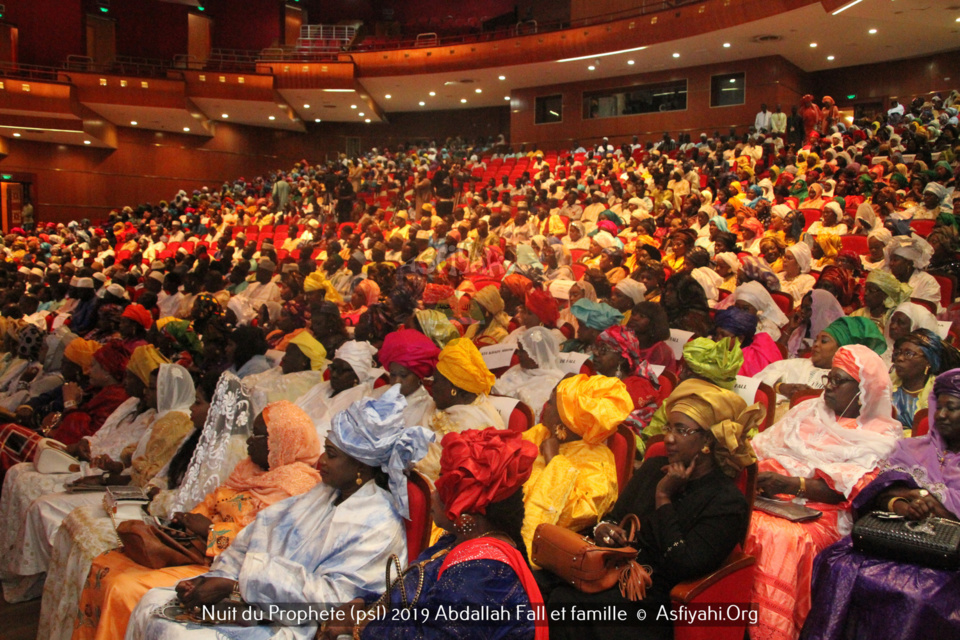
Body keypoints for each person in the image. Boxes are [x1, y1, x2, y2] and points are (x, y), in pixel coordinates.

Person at [127, 387, 433, 640]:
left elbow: (336, 601)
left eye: (332, 454)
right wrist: (219, 576)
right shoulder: (324, 493)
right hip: (260, 600)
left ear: (361, 468)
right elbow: (258, 534)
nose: (320, 461)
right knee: (150, 601)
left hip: (301, 622)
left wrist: (238, 587)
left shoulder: (379, 522)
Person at [72, 399, 323, 640]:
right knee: (106, 566)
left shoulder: (297, 487)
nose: (248, 440)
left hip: (229, 571)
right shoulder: (251, 467)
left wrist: (211, 531)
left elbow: (264, 548)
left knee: (122, 586)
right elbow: (214, 499)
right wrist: (192, 519)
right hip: (199, 548)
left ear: (282, 441)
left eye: (257, 435)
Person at [546, 378, 760, 640]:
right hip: (614, 573)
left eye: (681, 430)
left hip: (661, 601)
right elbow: (612, 517)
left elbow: (683, 566)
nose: (668, 438)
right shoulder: (652, 468)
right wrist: (606, 530)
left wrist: (663, 498)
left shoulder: (725, 501)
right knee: (545, 587)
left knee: (570, 607)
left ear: (708, 440)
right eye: (669, 427)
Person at [325, 427, 545, 640]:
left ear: (467, 509)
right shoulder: (458, 540)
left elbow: (430, 633)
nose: (432, 493)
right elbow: (415, 599)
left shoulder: (484, 573)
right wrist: (366, 603)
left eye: (443, 487)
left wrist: (361, 626)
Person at [746, 345, 903, 640]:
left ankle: (770, 629)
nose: (828, 386)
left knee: (780, 535)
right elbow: (761, 446)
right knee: (729, 508)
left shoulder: (880, 434)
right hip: (773, 494)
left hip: (828, 512)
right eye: (828, 378)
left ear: (864, 389)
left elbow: (851, 490)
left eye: (838, 380)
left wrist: (791, 485)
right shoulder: (807, 409)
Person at [802, 368, 960, 640]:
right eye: (940, 407)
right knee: (839, 566)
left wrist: (936, 508)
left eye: (953, 408)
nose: (942, 415)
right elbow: (879, 492)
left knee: (914, 597)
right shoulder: (912, 448)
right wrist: (901, 504)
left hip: (947, 558)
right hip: (894, 537)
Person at [520, 374, 632, 561]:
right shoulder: (540, 432)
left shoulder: (597, 461)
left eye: (550, 403)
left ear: (564, 421)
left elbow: (572, 517)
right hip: (509, 523)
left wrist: (554, 461)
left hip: (553, 549)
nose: (545, 407)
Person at [423, 338, 505, 480]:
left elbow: (436, 468)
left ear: (453, 388)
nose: (432, 386)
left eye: (436, 381)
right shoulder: (445, 404)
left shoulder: (471, 423)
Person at [890, 329, 960, 431]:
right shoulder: (886, 386)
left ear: (928, 362)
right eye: (898, 353)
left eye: (908, 354)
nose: (900, 358)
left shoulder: (940, 394)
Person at [492, 327, 565, 423]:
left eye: (523, 351)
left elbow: (537, 416)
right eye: (519, 350)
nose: (518, 354)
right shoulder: (516, 370)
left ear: (537, 353)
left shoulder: (553, 381)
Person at [376, 328, 439, 428]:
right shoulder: (380, 393)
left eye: (403, 375)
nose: (397, 381)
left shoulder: (427, 409)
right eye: (392, 374)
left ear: (418, 375)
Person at [714, 307, 783, 377]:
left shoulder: (753, 360)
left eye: (723, 335)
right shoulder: (718, 348)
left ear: (740, 339)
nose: (717, 339)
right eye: (716, 334)